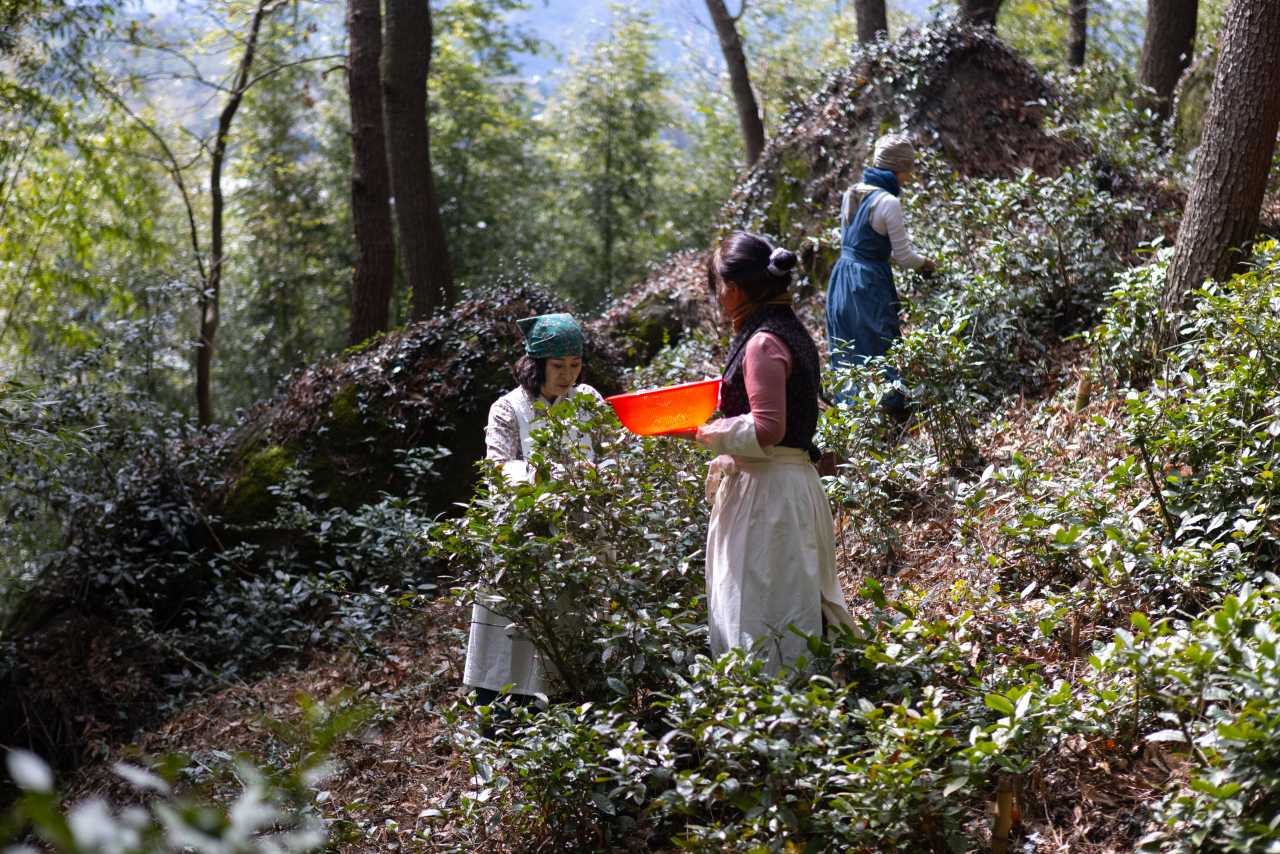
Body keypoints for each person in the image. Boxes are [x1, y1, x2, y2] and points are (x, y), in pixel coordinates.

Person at [681, 232, 855, 675]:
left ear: (734, 288)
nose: (717, 295)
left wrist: (706, 432)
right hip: (784, 485)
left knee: (763, 604)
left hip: (768, 494)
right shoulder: (787, 329)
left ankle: (772, 717)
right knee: (784, 596)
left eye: (718, 285)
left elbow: (769, 427)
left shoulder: (761, 342)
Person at [464, 312, 603, 714]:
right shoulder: (508, 409)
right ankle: (500, 732)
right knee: (511, 637)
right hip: (521, 541)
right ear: (535, 365)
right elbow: (498, 472)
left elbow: (613, 453)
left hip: (580, 537)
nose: (568, 375)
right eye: (558, 366)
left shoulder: (588, 401)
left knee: (572, 633)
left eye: (575, 365)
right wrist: (553, 474)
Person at [825, 132, 937, 414]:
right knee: (881, 345)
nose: (908, 178)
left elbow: (857, 242)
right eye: (908, 170)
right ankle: (890, 420)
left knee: (847, 349)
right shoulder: (889, 202)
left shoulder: (851, 192)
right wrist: (928, 264)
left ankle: (853, 420)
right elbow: (905, 257)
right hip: (868, 284)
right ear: (901, 169)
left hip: (841, 279)